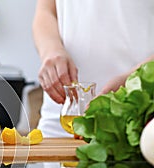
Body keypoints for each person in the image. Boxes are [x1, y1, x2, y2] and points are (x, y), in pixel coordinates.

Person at [33, 0, 154, 137]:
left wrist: (135, 78)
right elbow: (46, 11)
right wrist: (51, 50)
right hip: (62, 122)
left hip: (139, 122)